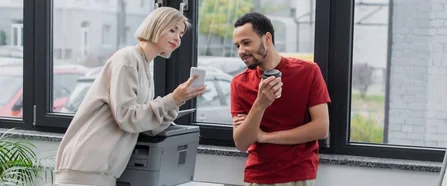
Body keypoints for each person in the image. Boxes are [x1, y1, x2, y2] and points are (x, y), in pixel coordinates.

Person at [53, 7, 206, 186]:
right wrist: (173, 99)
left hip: (101, 171)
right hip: (84, 168)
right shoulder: (127, 59)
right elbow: (126, 117)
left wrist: (177, 101)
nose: (177, 38)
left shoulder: (144, 67)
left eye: (180, 34)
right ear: (155, 26)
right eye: (172, 30)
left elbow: (143, 125)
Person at [230, 12, 331, 186]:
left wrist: (264, 137)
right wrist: (260, 104)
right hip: (257, 176)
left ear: (267, 38)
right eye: (237, 45)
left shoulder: (308, 71)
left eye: (246, 43)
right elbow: (241, 142)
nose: (241, 51)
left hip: (298, 174)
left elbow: (321, 129)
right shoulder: (239, 83)